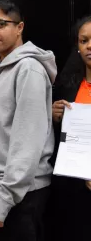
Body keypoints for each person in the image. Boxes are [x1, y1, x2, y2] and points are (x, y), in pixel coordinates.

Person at [0, 0, 56, 241]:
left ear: (20, 28)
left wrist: (3, 202)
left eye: (0, 24)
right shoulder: (0, 65)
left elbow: (28, 142)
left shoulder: (29, 70)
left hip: (18, 195)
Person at [49, 16, 91, 241]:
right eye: (84, 41)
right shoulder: (68, 85)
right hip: (72, 185)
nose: (89, 46)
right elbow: (59, 138)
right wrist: (55, 117)